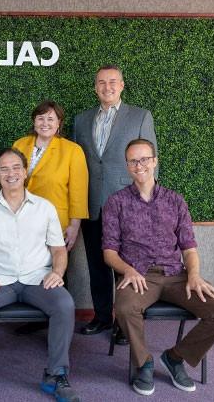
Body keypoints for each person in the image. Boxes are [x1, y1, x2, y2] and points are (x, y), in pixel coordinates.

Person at [102, 138, 214, 395]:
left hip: (177, 275)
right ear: (127, 166)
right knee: (124, 307)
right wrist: (127, 270)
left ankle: (175, 357)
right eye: (133, 161)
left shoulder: (175, 201)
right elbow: (109, 252)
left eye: (144, 159)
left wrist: (194, 275)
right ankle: (144, 363)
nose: (139, 165)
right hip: (139, 276)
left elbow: (189, 248)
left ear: (154, 161)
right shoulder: (116, 203)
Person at [0, 148, 80, 402]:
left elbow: (58, 249)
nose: (11, 173)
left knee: (64, 304)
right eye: (4, 169)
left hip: (37, 278)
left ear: (25, 172)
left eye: (16, 167)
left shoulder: (44, 208)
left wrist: (57, 272)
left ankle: (56, 374)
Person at [74, 65, 157, 343]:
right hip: (91, 203)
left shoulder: (140, 116)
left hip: (127, 206)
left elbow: (148, 162)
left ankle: (124, 321)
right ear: (95, 87)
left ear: (122, 85)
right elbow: (79, 164)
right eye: (101, 82)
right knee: (97, 265)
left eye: (112, 82)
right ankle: (101, 317)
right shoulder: (81, 119)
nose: (107, 87)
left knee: (125, 265)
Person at [13, 101, 88, 335]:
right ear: (33, 121)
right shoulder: (19, 145)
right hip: (21, 220)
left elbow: (78, 191)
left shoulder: (72, 150)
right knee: (31, 267)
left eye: (51, 119)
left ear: (59, 124)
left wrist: (74, 225)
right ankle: (35, 318)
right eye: (40, 118)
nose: (45, 123)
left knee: (57, 271)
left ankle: (59, 321)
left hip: (56, 223)